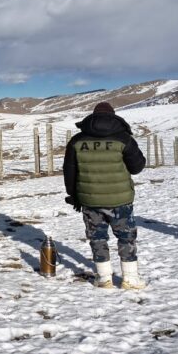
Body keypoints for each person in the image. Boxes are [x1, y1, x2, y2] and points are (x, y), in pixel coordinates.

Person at [63, 102, 147, 289]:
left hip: (90, 200)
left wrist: (73, 195)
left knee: (97, 238)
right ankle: (130, 279)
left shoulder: (77, 141)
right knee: (126, 237)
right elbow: (137, 167)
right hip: (120, 200)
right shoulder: (123, 139)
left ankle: (103, 278)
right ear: (113, 117)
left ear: (93, 117)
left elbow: (69, 172)